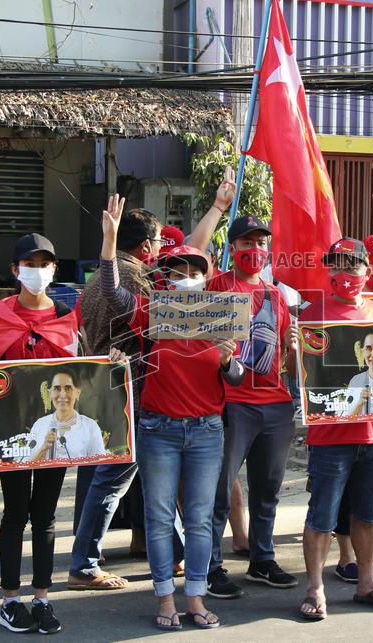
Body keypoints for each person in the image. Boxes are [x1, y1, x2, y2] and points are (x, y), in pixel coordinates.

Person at [97, 197, 244, 630]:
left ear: (206, 278)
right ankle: (165, 600)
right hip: (157, 428)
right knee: (160, 518)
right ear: (165, 277)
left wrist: (227, 361)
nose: (187, 278)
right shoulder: (151, 313)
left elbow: (236, 377)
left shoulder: (222, 317)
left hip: (206, 431)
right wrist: (109, 244)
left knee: (199, 519)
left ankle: (195, 598)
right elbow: (111, 291)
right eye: (178, 271)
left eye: (195, 272)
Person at [293, 238, 373, 621]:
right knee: (322, 516)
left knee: (368, 514)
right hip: (330, 438)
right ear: (328, 270)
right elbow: (294, 376)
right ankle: (315, 587)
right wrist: (289, 348)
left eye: (354, 265)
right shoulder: (310, 314)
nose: (347, 273)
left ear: (368, 270)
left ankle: (367, 582)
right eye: (339, 265)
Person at [0, 233, 80, 635]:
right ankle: (10, 599)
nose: (37, 271)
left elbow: (79, 370)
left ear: (54, 269)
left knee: (44, 516)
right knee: (15, 513)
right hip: (11, 436)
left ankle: (42, 597)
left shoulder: (65, 315)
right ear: (15, 270)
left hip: (55, 435)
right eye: (30, 263)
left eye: (45, 264)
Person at [204, 215, 300, 600]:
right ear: (232, 248)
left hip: (276, 404)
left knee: (268, 491)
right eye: (247, 243)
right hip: (232, 403)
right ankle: (209, 567)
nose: (255, 251)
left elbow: (288, 360)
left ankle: (262, 559)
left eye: (262, 243)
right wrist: (218, 207)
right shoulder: (217, 286)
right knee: (219, 492)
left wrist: (293, 345)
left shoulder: (277, 296)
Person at [69, 204, 161, 586]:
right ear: (144, 247)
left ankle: (168, 551)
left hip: (101, 384)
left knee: (118, 474)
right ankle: (84, 563)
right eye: (157, 242)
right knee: (115, 477)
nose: (158, 250)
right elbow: (155, 325)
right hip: (129, 389)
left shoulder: (100, 276)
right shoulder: (131, 276)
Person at [26, 369, 107, 462]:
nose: (63, 395)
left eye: (68, 388)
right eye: (57, 388)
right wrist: (43, 448)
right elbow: (26, 465)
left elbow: (100, 464)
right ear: (49, 393)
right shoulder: (39, 425)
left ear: (77, 393)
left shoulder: (90, 427)